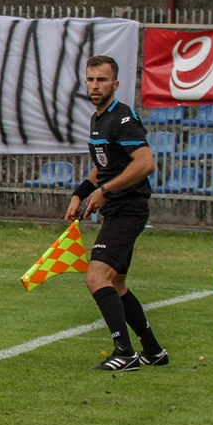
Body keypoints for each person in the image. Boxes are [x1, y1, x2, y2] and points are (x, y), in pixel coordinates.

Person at [65, 55, 167, 371]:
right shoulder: (99, 119)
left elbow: (146, 163)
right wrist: (81, 192)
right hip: (118, 208)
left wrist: (105, 192)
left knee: (96, 277)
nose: (95, 85)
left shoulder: (123, 119)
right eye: (91, 79)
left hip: (127, 209)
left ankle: (123, 352)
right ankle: (152, 351)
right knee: (117, 285)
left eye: (102, 80)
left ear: (116, 84)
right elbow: (105, 165)